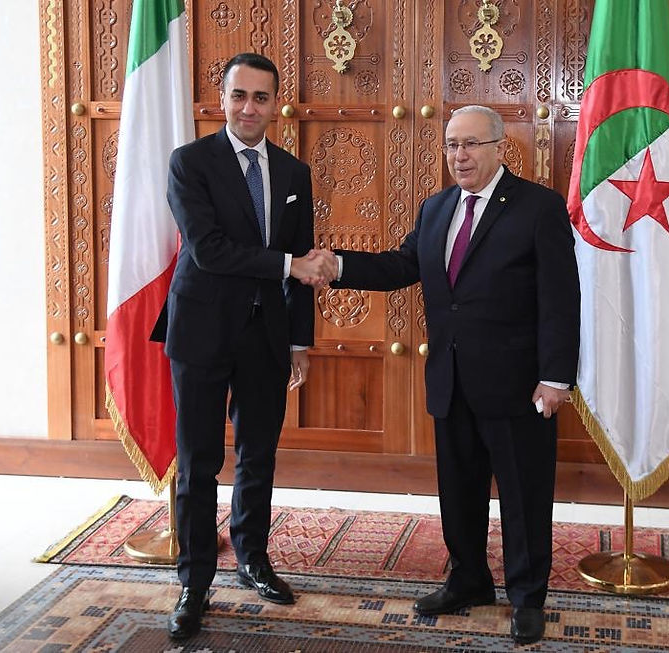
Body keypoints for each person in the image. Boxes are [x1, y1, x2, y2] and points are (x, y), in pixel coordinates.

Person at [320, 105, 580, 645]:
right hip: (452, 379)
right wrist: (339, 266)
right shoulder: (436, 208)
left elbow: (560, 299)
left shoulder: (539, 208)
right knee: (458, 493)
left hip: (518, 386)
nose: (459, 156)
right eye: (451, 145)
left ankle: (527, 597)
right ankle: (469, 580)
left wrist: (556, 378)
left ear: (499, 148)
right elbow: (401, 265)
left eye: (470, 144)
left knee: (524, 497)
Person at [154, 52, 337, 640]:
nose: (249, 108)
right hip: (201, 332)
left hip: (267, 336)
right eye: (239, 95)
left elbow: (305, 261)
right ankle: (194, 582)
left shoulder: (293, 172)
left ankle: (253, 560)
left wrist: (300, 341)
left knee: (259, 455)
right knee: (199, 461)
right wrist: (288, 264)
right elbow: (208, 250)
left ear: (275, 104)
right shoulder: (190, 163)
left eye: (261, 97)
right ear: (222, 99)